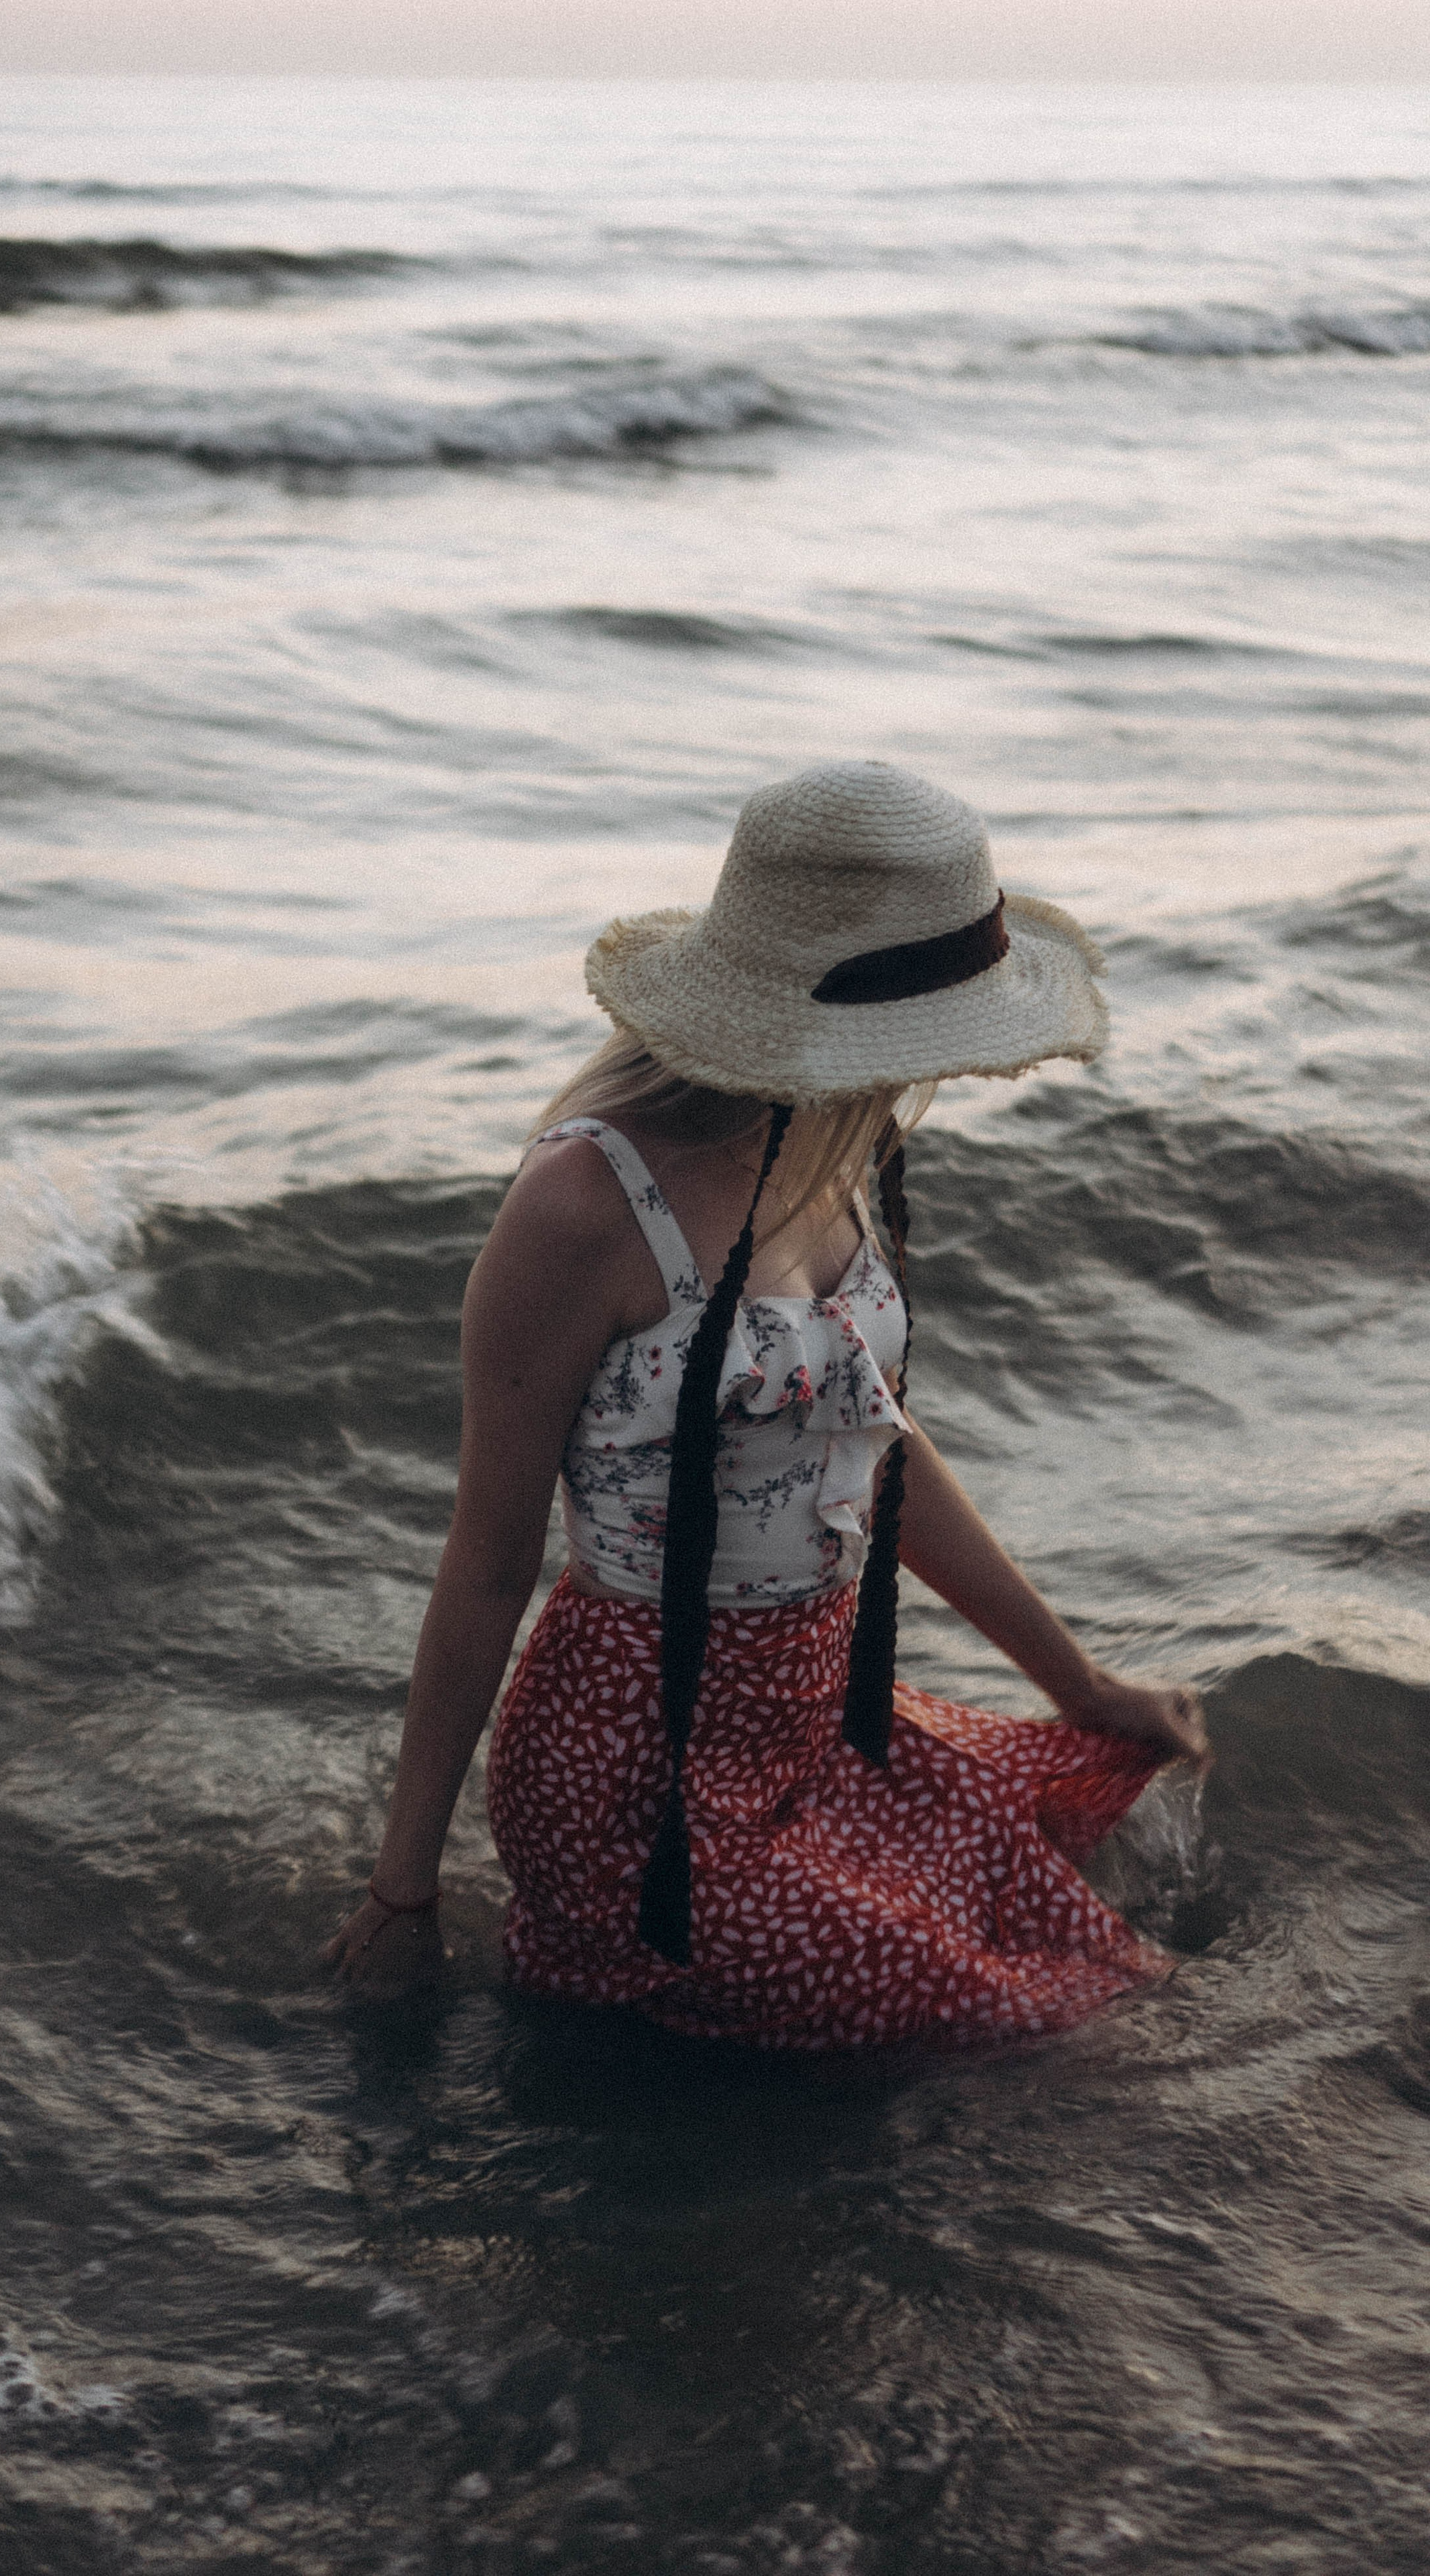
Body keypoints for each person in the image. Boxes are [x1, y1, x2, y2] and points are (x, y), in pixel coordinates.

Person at [323, 761, 1208, 2045]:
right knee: (1066, 2041)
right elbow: (486, 1558)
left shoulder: (836, 1145)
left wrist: (1081, 1684)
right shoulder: (585, 1204)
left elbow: (874, 1447)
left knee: (1128, 1967)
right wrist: (403, 1893)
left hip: (814, 1723)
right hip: (638, 1791)